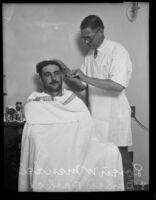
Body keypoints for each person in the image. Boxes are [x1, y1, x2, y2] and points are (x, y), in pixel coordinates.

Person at [18, 60, 124, 192]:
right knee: (44, 152)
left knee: (111, 150)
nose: (53, 78)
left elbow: (87, 128)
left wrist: (74, 140)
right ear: (40, 78)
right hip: (52, 151)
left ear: (62, 75)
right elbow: (36, 131)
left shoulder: (72, 99)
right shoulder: (34, 102)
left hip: (79, 150)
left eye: (57, 73)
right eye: (48, 74)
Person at [54, 15, 134, 191]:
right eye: (83, 37)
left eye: (88, 37)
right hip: (97, 118)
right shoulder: (90, 56)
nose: (85, 41)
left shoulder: (118, 51)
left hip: (115, 117)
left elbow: (118, 85)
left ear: (100, 31)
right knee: (101, 163)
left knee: (122, 161)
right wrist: (66, 72)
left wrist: (85, 77)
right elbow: (82, 86)